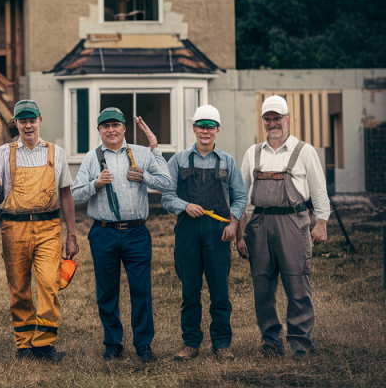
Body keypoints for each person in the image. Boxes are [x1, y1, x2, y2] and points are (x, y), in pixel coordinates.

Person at [72, 107, 175, 363]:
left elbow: (168, 182)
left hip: (136, 232)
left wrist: (145, 176)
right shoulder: (91, 158)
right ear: (99, 130)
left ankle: (143, 345)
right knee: (106, 292)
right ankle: (112, 343)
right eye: (105, 126)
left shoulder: (140, 154)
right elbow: (74, 194)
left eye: (115, 125)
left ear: (124, 128)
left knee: (141, 290)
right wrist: (95, 184)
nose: (111, 130)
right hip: (103, 232)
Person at [235, 95, 331, 359]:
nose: (273, 123)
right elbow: (242, 197)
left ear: (287, 119)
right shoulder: (252, 153)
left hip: (293, 223)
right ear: (263, 121)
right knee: (262, 286)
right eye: (268, 118)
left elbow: (319, 191)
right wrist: (240, 234)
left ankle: (300, 342)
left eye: (278, 118)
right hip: (259, 225)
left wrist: (321, 222)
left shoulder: (304, 151)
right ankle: (270, 341)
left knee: (297, 284)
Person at [161, 105, 247, 362]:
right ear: (193, 129)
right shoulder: (178, 160)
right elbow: (167, 196)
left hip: (218, 231)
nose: (205, 130)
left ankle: (221, 344)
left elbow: (240, 197)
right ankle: (190, 344)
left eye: (211, 126)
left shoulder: (227, 161)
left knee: (220, 291)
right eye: (201, 125)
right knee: (190, 291)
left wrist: (232, 224)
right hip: (187, 230)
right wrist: (184, 206)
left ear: (218, 129)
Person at [0, 100, 78, 361]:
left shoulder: (56, 152)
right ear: (16, 123)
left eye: (32, 119)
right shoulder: (2, 153)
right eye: (23, 120)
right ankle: (24, 345)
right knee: (18, 288)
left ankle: (44, 344)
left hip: (48, 227)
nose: (28, 125)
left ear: (40, 120)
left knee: (49, 285)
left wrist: (71, 234)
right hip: (13, 227)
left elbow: (66, 194)